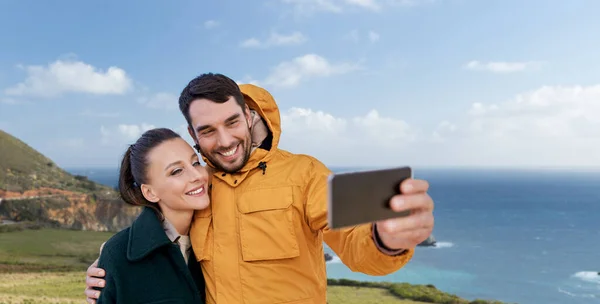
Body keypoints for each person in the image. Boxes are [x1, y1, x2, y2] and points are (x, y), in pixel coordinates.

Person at [85, 73, 435, 304]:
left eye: (232, 122)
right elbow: (160, 237)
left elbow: (358, 245)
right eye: (207, 131)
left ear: (248, 117)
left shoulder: (305, 173)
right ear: (193, 135)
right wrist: (110, 274)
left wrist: (386, 240)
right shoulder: (199, 186)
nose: (224, 141)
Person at [93, 128, 210, 303]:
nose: (197, 175)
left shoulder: (218, 233)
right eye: (177, 171)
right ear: (150, 192)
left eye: (195, 163)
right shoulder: (117, 255)